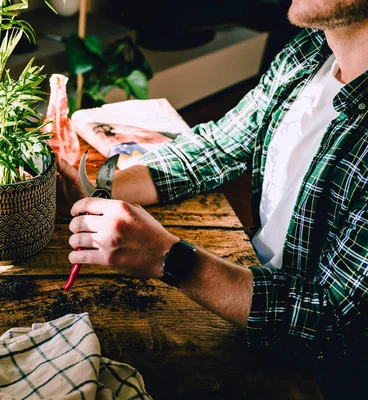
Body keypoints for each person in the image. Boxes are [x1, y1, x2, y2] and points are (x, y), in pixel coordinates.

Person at [56, 0, 368, 393]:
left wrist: (170, 259)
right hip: (248, 285)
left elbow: (331, 325)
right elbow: (219, 147)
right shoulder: (309, 52)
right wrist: (96, 188)